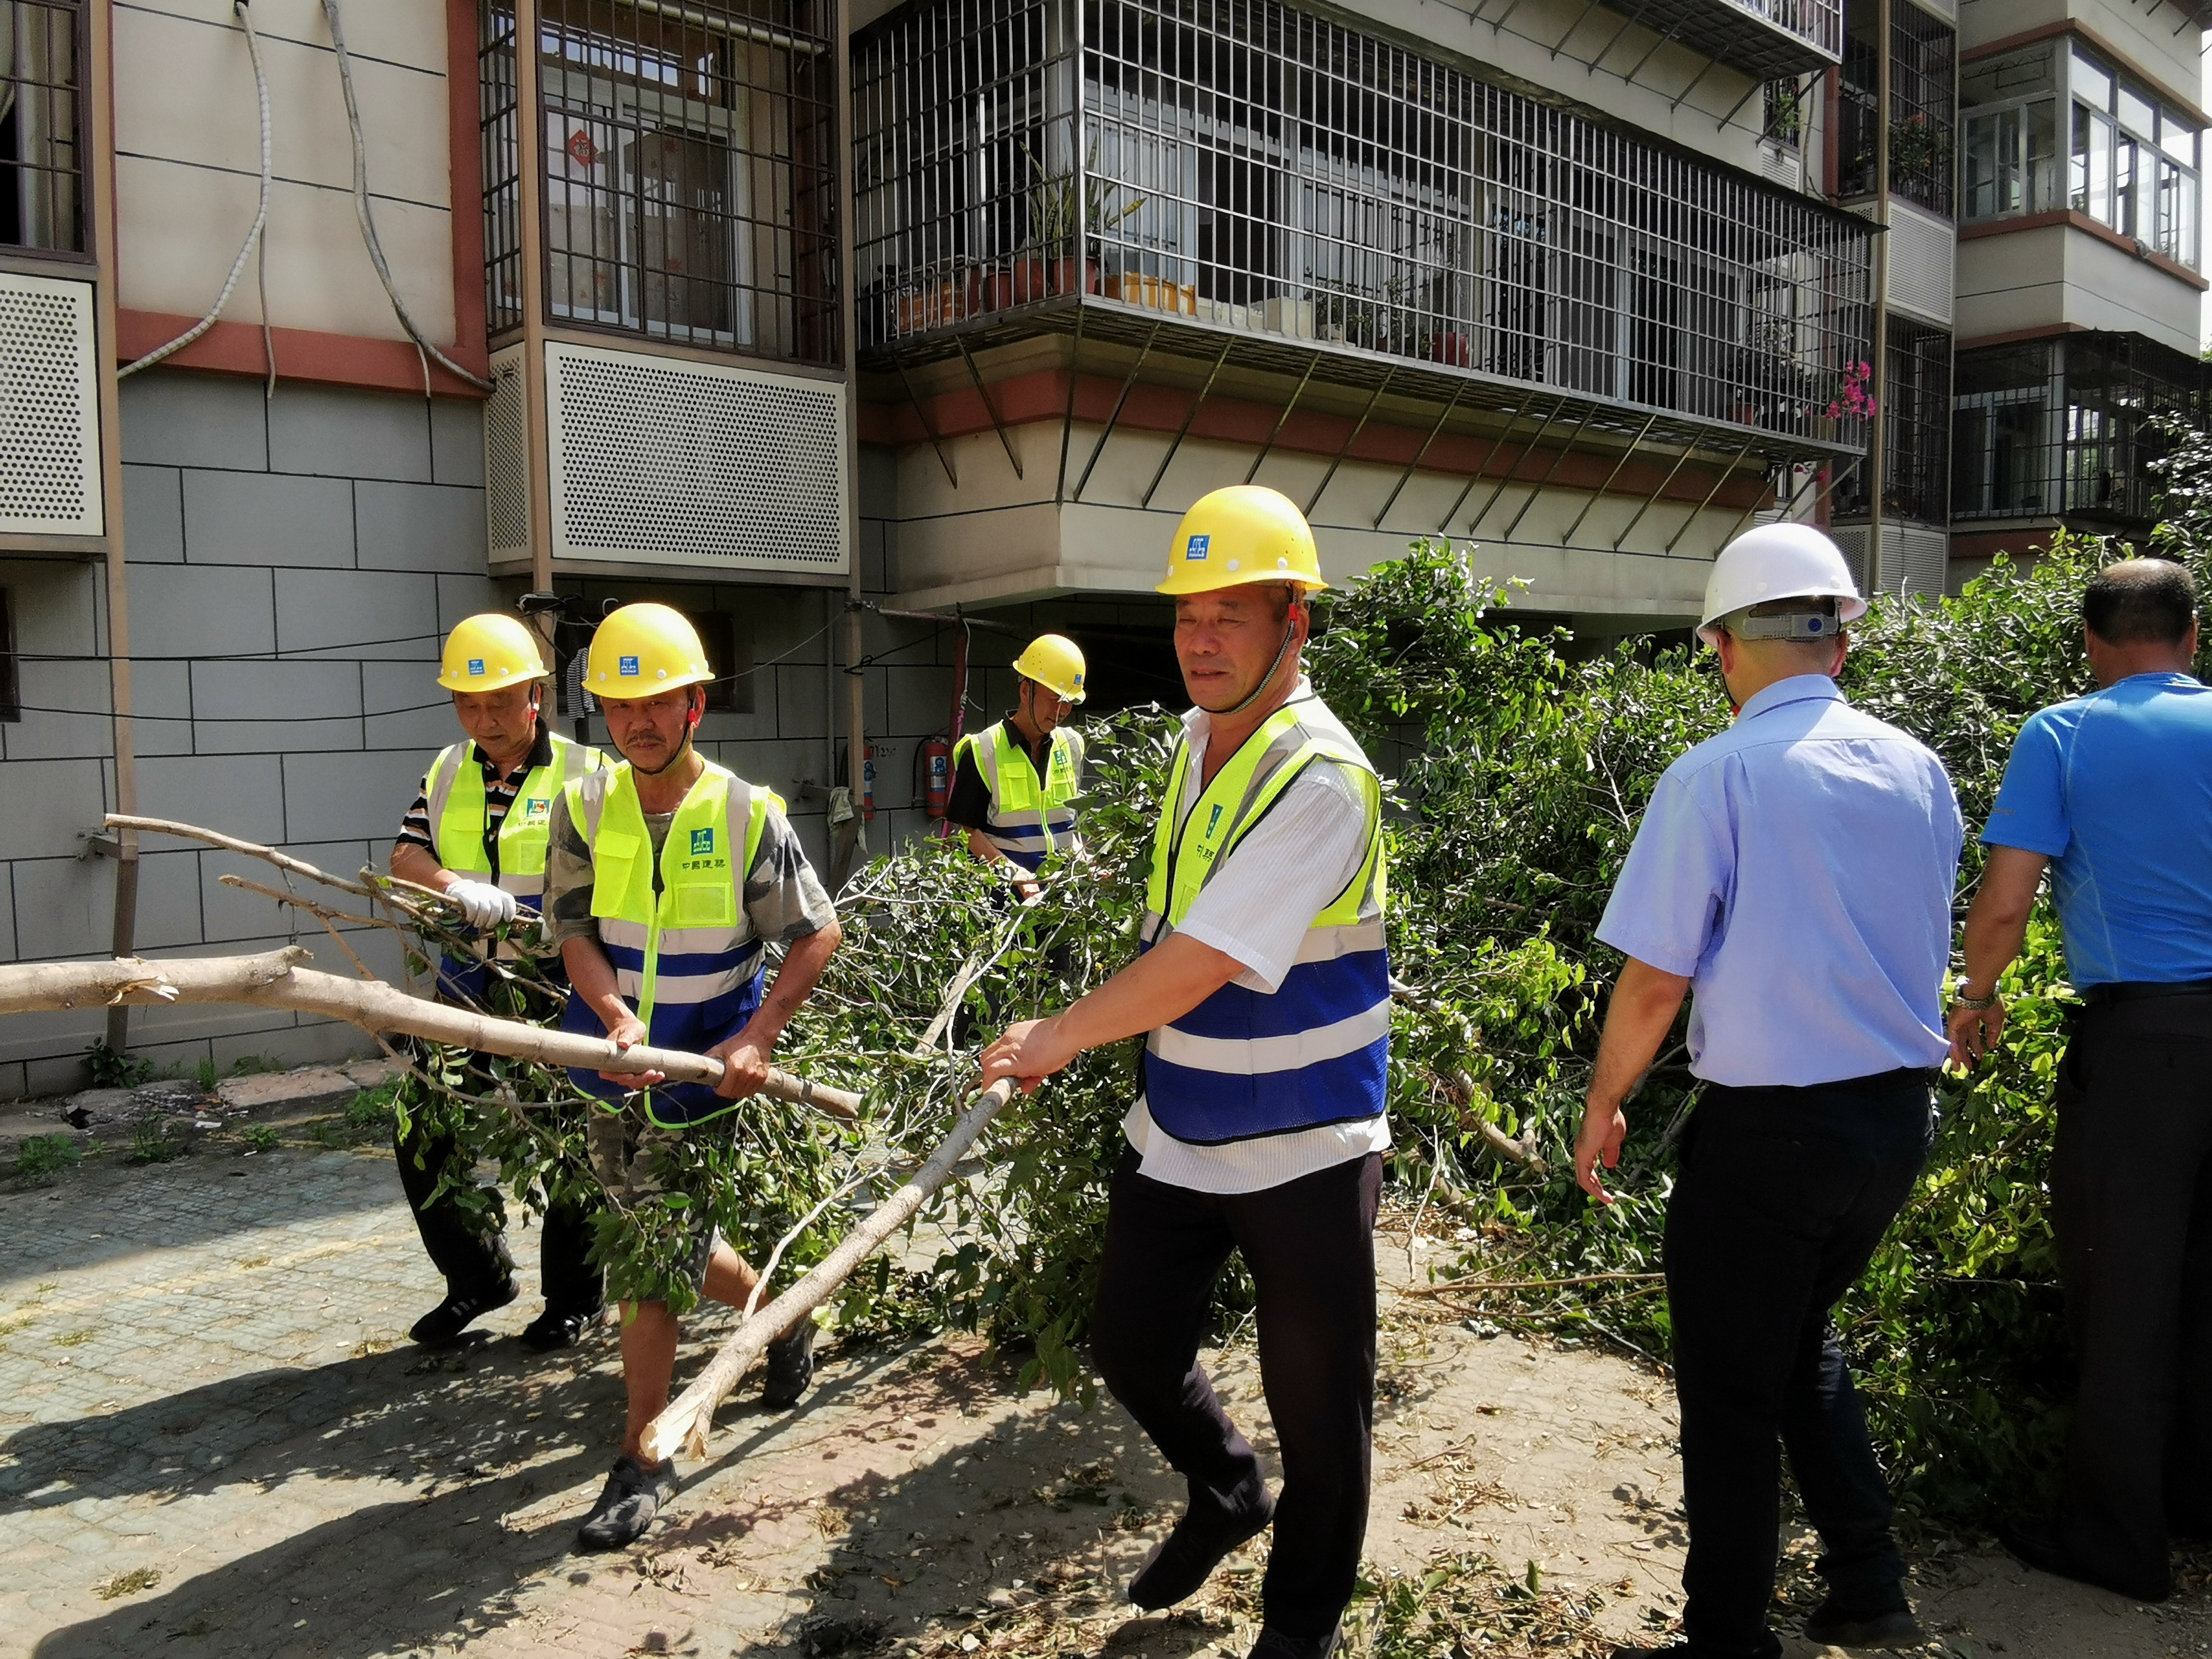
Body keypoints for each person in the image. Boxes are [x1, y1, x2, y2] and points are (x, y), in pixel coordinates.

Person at [979, 486, 1388, 1659]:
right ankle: (1225, 1488)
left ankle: (1297, 1631)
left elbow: (1207, 956)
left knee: (1322, 1414)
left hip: (1304, 1145)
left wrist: (1062, 1033)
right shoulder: (1196, 741)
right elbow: (1173, 927)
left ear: (1292, 624)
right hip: (1185, 1121)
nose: (1200, 642)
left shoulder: (1321, 776)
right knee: (1131, 1343)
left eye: (1230, 617)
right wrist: (1093, 1020)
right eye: (1187, 617)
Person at [1575, 523, 1962, 1659]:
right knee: (1795, 1338)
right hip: (1894, 1123)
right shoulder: (1918, 768)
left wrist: (1604, 1103)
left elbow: (1655, 981)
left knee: (1730, 1395)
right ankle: (1868, 1583)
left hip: (1772, 1138)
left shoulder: (1718, 775)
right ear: (1841, 641)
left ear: (1721, 646)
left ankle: (1727, 1636)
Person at [543, 601, 843, 1551]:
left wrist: (759, 1036)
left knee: (645, 1259)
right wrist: (612, 1015)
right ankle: (783, 1318)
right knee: (656, 1236)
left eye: (656, 702)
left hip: (702, 1078)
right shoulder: (585, 806)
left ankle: (643, 1456)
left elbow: (816, 932)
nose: (637, 721)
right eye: (619, 704)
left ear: (694, 707)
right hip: (613, 1062)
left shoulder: (745, 814)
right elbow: (573, 932)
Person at [1951, 557, 2212, 1604]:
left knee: (2126, 1289)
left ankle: (2117, 1537)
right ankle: (2195, 1502)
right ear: (2192, 638)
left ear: (2094, 645)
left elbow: (2006, 903)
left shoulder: (2063, 732)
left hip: (2147, 1043)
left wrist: (1975, 994)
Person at [390, 613, 606, 1350]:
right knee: (423, 1122)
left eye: (500, 703)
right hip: (468, 972)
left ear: (536, 695)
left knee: (570, 1131)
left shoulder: (588, 775)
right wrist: (454, 886)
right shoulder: (449, 769)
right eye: (468, 704)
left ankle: (575, 1299)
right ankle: (478, 1277)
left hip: (557, 977)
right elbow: (406, 854)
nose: (484, 720)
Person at [947, 633, 1088, 897]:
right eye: (1055, 698)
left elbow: (1067, 827)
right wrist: (1013, 873)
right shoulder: (982, 750)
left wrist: (1085, 862)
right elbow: (967, 832)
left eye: (1070, 702)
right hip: (1002, 904)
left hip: (1062, 903)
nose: (1062, 711)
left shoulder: (1073, 746)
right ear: (1026, 691)